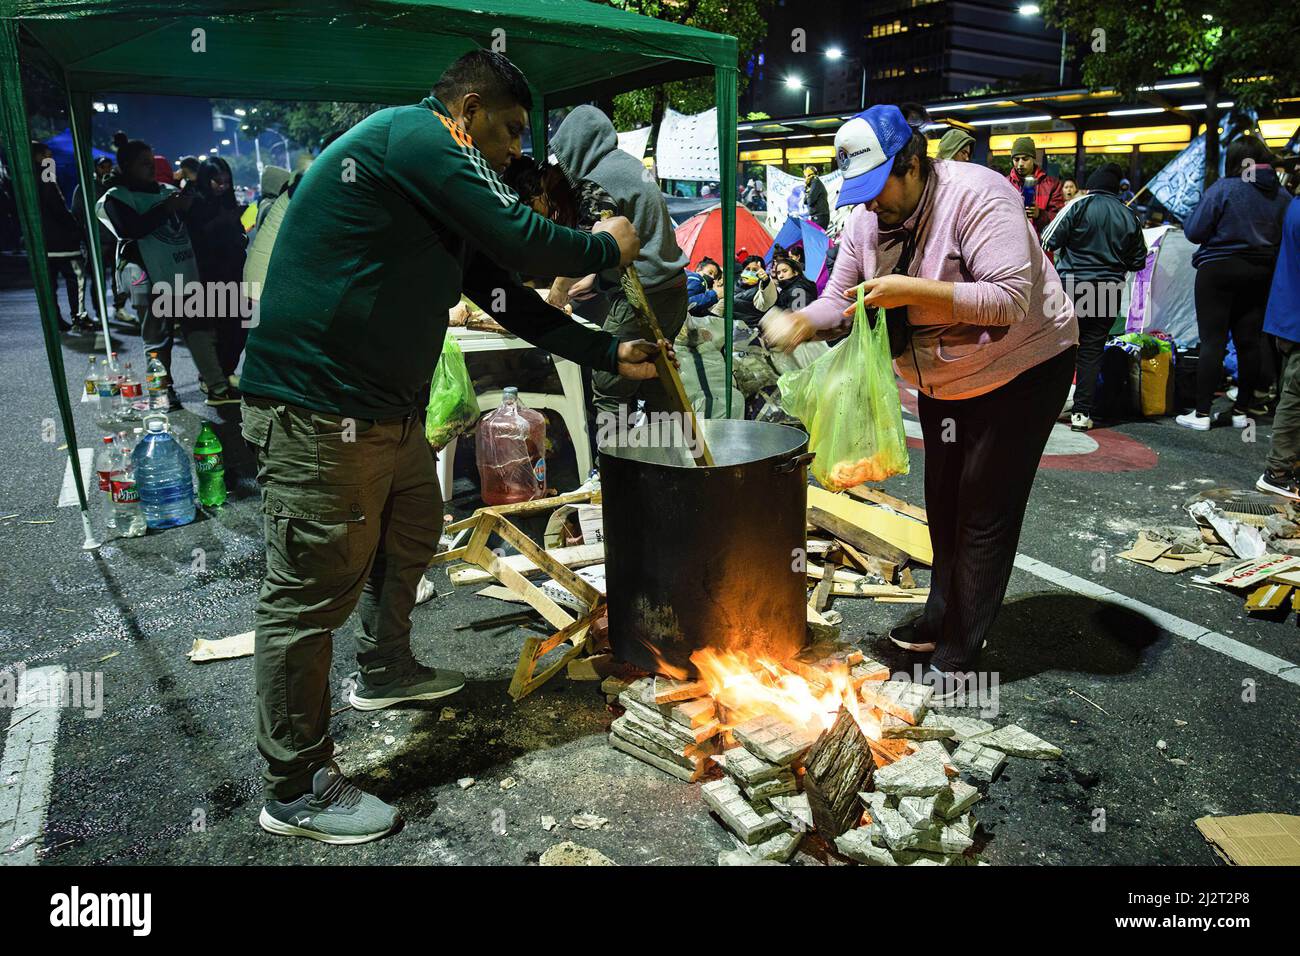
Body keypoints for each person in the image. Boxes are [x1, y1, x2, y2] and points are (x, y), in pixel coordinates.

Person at [237, 50, 648, 844]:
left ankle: (385, 671)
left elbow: (501, 290)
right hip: (321, 408)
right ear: (466, 107)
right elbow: (530, 246)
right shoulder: (415, 137)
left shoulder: (442, 183)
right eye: (506, 131)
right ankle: (294, 785)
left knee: (409, 538)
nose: (510, 153)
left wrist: (603, 352)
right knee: (309, 591)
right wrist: (605, 245)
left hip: (388, 411)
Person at [763, 105, 1077, 701]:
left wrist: (909, 291)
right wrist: (803, 321)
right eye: (857, 194)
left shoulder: (978, 196)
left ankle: (963, 648)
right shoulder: (863, 221)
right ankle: (939, 615)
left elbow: (1008, 299)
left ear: (912, 164)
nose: (867, 206)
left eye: (877, 190)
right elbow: (840, 297)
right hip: (945, 378)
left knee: (984, 505)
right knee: (944, 495)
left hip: (1024, 368)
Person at [551, 104, 690, 421]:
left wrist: (557, 295)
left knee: (609, 382)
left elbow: (581, 246)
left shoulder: (598, 179)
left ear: (578, 145)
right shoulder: (627, 165)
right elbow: (631, 238)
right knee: (657, 379)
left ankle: (616, 468)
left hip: (645, 298)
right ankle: (666, 464)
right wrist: (598, 280)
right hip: (673, 290)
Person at [99, 139, 234, 407]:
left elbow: (198, 218)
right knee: (157, 339)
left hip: (181, 272)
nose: (151, 168)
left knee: (198, 330)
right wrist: (167, 209)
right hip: (146, 275)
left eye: (153, 163)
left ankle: (217, 387)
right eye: (144, 164)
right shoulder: (116, 197)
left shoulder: (167, 191)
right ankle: (161, 393)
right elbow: (129, 229)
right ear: (126, 166)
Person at [1178, 136, 1292, 429]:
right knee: (1249, 342)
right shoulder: (1281, 196)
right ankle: (1242, 410)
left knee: (1212, 340)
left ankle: (1202, 413)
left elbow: (1194, 230)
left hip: (1218, 270)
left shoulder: (1225, 188)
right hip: (1261, 272)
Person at [1041, 165, 1148, 431]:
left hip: (1070, 287)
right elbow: (1138, 260)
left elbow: (1047, 240)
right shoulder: (1129, 215)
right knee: (1091, 351)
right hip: (1108, 289)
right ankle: (1081, 413)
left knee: (1059, 347)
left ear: (1089, 187)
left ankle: (1049, 406)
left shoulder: (1078, 205)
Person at [187, 156, 250, 385]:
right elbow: (198, 239)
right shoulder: (195, 202)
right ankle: (212, 377)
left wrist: (240, 234)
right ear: (206, 179)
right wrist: (224, 222)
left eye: (226, 181)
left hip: (235, 271)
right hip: (210, 274)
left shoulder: (229, 201)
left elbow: (239, 230)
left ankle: (227, 370)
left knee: (241, 326)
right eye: (217, 181)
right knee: (218, 329)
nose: (222, 186)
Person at [1258, 195, 1300, 498]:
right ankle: (1278, 470)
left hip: (1289, 317)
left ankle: (1283, 467)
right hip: (1294, 319)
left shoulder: (1294, 205)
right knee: (1296, 395)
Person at [30, 141, 92, 333]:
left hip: (41, 240)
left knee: (50, 285)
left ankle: (54, 319)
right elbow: (55, 202)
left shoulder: (24, 177)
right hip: (60, 240)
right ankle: (79, 316)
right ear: (40, 156)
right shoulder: (46, 171)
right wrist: (73, 224)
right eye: (48, 155)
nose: (51, 159)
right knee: (77, 277)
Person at [1008, 136, 1064, 238]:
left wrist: (1040, 215)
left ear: (1033, 159)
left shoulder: (1052, 185)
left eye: (1025, 159)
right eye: (1016, 159)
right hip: (1013, 242)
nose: (1020, 164)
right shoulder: (1005, 183)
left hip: (1040, 245)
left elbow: (1060, 220)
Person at [733, 254, 776, 326]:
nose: (750, 272)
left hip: (750, 331)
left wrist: (766, 280)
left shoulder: (762, 290)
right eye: (747, 269)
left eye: (755, 270)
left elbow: (767, 300)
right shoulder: (734, 285)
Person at [802, 164, 829, 229]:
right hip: (817, 216)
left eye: (805, 176)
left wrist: (808, 194)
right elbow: (805, 201)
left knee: (816, 238)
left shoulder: (816, 182)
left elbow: (810, 201)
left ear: (808, 175)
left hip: (820, 217)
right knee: (814, 237)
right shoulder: (812, 184)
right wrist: (807, 190)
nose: (804, 178)